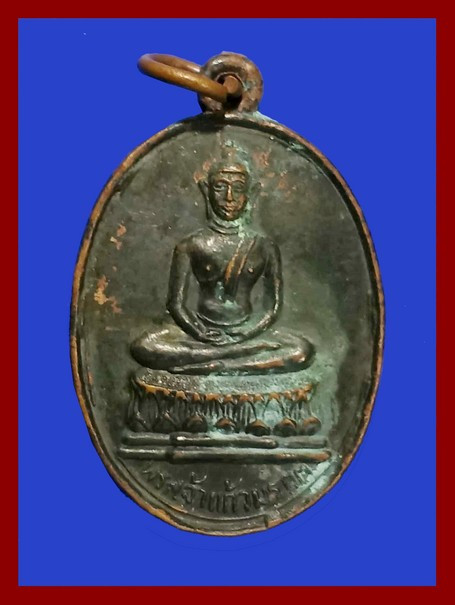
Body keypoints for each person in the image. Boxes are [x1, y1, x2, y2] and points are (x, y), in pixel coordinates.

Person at [131, 145, 314, 375]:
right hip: (202, 333)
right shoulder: (191, 245)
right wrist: (199, 332)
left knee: (301, 351)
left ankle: (219, 364)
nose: (229, 198)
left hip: (248, 332)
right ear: (206, 191)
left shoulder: (264, 246)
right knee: (144, 346)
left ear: (251, 193)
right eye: (220, 187)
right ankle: (233, 356)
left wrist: (248, 333)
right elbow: (176, 304)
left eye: (238, 189)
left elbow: (273, 306)